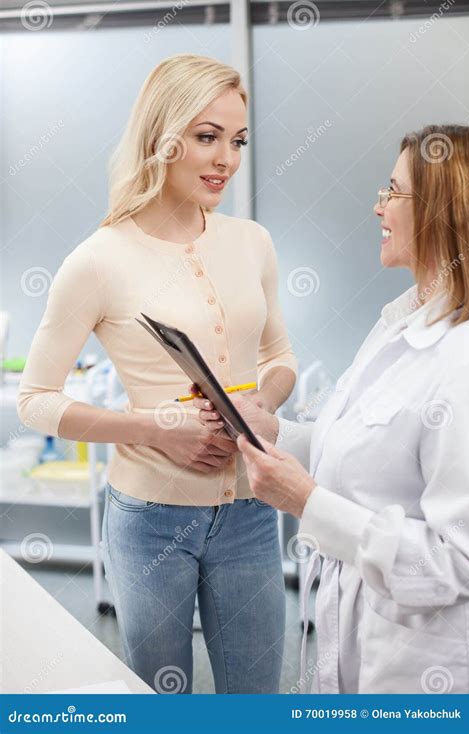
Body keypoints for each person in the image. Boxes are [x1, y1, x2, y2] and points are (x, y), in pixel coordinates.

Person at [17, 54, 297, 694]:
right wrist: (157, 429)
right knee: (158, 698)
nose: (227, 157)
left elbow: (281, 357)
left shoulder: (252, 241)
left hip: (253, 508)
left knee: (255, 697)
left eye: (238, 140)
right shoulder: (98, 259)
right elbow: (34, 400)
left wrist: (264, 408)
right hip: (149, 517)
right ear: (161, 137)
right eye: (206, 137)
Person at [194, 124, 469, 694]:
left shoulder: (464, 361)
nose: (378, 207)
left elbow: (457, 563)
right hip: (350, 640)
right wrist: (274, 431)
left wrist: (305, 501)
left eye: (392, 192)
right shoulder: (401, 321)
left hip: (417, 669)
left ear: (442, 212)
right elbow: (362, 455)